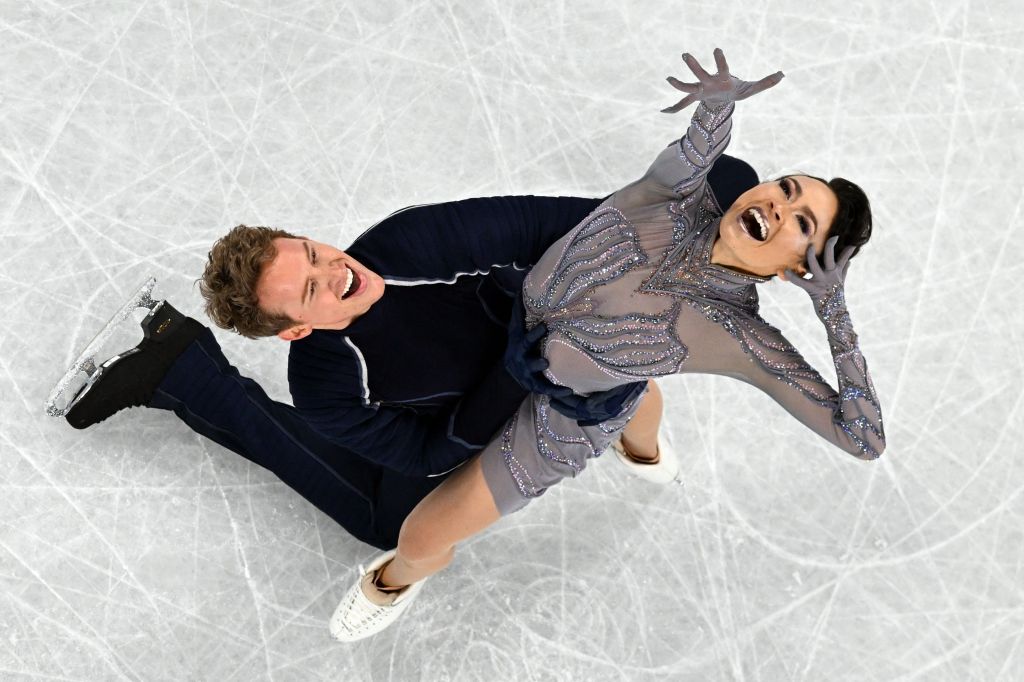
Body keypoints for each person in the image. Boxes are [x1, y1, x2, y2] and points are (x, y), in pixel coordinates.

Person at [327, 48, 886, 641]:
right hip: (516, 336)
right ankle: (637, 428)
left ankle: (396, 578)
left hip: (564, 420)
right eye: (788, 188)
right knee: (631, 387)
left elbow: (863, 439)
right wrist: (717, 106)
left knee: (419, 536)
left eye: (801, 222)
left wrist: (833, 312)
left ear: (798, 267)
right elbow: (699, 148)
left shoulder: (741, 337)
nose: (778, 203)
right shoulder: (670, 197)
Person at [49, 168, 758, 550]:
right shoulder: (326, 383)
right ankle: (181, 367)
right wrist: (520, 370)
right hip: (476, 419)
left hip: (556, 344)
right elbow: (426, 454)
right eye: (311, 291)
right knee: (383, 523)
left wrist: (685, 215)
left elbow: (552, 224)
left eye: (317, 253)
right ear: (295, 331)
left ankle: (640, 449)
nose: (338, 272)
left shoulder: (412, 241)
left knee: (627, 378)